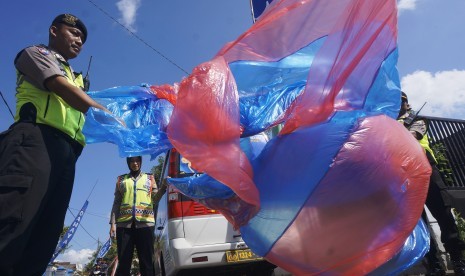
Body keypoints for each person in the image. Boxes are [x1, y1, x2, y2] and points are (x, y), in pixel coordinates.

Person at [0, 14, 122, 276]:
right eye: (74, 33)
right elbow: (60, 88)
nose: (79, 40)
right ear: (54, 31)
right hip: (34, 145)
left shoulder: (78, 79)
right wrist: (108, 115)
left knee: (44, 237)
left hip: (66, 157)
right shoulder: (36, 54)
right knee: (14, 227)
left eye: (83, 38)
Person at [398, 92, 465, 276]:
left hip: (426, 171)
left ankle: (458, 260)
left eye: (401, 101)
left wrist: (401, 127)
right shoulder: (391, 124)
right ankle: (434, 265)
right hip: (405, 177)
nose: (397, 104)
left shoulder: (417, 119)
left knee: (444, 216)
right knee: (420, 223)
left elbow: (414, 135)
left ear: (407, 104)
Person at [110, 156, 158, 276]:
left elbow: (156, 199)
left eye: (137, 161)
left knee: (147, 263)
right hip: (124, 227)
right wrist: (112, 224)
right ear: (128, 163)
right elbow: (117, 202)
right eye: (132, 161)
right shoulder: (121, 180)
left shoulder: (150, 178)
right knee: (124, 263)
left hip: (145, 225)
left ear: (141, 162)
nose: (135, 163)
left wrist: (162, 187)